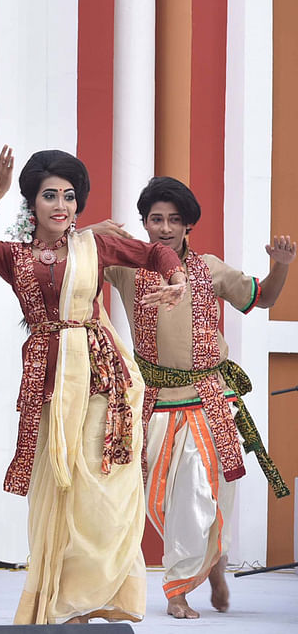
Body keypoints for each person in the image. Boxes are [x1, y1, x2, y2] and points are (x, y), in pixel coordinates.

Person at [0, 146, 187, 624]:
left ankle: (103, 595)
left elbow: (156, 252)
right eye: (49, 196)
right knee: (60, 489)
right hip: (50, 382)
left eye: (69, 196)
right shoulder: (14, 256)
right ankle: (65, 602)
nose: (62, 205)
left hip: (102, 378)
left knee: (103, 486)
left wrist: (178, 279)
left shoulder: (96, 247)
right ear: (32, 204)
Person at [100, 177, 293, 619]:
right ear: (145, 224)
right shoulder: (127, 266)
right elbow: (71, 256)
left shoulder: (209, 268)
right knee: (170, 499)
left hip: (210, 398)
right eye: (156, 219)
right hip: (156, 403)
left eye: (173, 220)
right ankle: (209, 568)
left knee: (202, 494)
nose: (164, 228)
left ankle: (178, 590)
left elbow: (263, 298)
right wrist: (92, 229)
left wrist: (282, 264)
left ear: (188, 226)